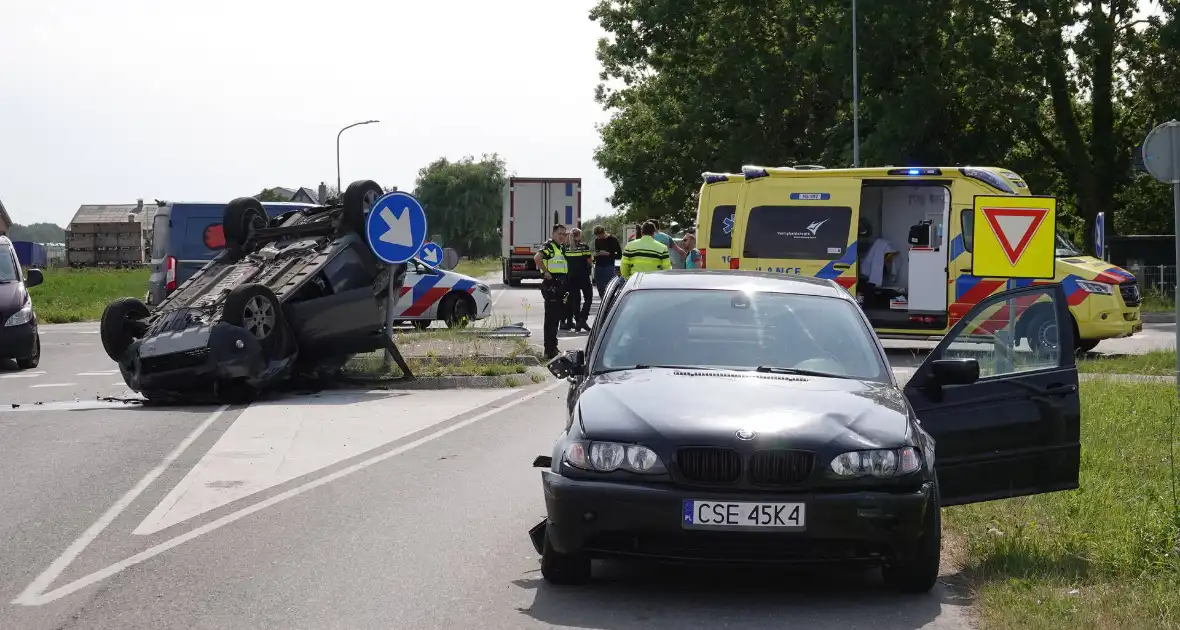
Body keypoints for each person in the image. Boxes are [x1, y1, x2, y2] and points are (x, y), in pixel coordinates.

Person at [534, 224, 569, 359]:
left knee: (555, 320)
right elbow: (537, 258)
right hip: (552, 285)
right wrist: (546, 271)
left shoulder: (559, 247)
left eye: (564, 234)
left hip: (559, 285)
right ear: (553, 234)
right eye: (560, 233)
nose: (562, 236)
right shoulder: (549, 246)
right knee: (551, 320)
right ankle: (549, 350)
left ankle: (553, 347)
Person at [563, 228, 594, 333]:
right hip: (583, 276)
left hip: (571, 277)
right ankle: (583, 319)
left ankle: (577, 321)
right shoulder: (584, 247)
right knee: (588, 298)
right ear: (578, 236)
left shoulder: (566, 248)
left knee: (576, 300)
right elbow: (590, 261)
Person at [591, 225, 621, 298]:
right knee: (600, 287)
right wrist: (596, 254)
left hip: (609, 266)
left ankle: (610, 303)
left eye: (599, 236)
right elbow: (597, 251)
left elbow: (619, 254)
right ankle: (603, 301)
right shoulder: (597, 240)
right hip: (598, 266)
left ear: (603, 233)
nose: (598, 238)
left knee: (609, 287)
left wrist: (608, 253)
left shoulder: (613, 240)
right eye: (597, 236)